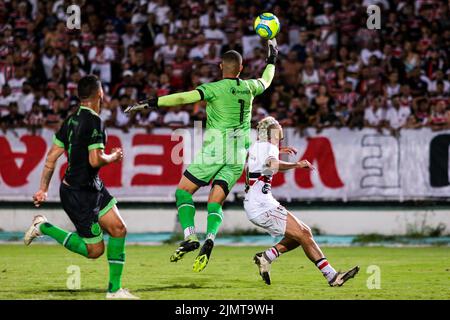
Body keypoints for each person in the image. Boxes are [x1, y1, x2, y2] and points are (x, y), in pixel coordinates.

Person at [125, 40, 279, 272]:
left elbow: (183, 97)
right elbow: (267, 80)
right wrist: (272, 59)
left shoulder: (213, 89)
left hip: (215, 150)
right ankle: (210, 239)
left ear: (220, 67)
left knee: (183, 191)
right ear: (241, 68)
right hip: (239, 155)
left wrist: (151, 102)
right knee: (214, 202)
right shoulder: (249, 87)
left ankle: (190, 236)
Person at [24, 75, 138, 299]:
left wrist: (43, 189)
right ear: (100, 94)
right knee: (95, 251)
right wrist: (113, 156)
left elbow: (51, 158)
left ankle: (114, 291)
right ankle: (43, 227)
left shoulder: (70, 121)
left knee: (118, 229)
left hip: (93, 188)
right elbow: (95, 160)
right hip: (78, 195)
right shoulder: (94, 122)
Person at [244, 116, 359, 286]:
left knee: (302, 233)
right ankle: (332, 277)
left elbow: (263, 162)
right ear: (273, 133)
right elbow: (272, 164)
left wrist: (280, 151)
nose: (281, 132)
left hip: (258, 203)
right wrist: (297, 165)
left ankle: (266, 257)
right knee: (304, 234)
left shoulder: (258, 146)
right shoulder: (268, 148)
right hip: (262, 206)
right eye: (278, 130)